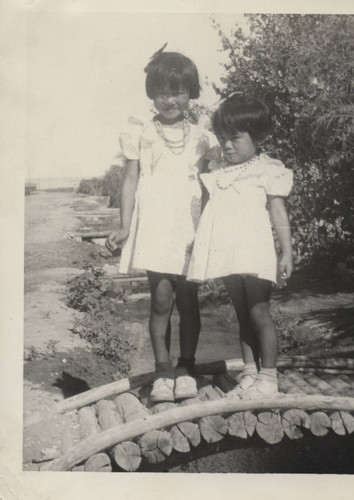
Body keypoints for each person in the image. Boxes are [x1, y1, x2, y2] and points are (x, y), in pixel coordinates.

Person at [106, 46, 219, 403]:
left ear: (191, 93)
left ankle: (186, 368)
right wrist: (124, 227)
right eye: (162, 92)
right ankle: (162, 371)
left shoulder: (204, 137)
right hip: (155, 223)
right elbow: (130, 180)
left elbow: (212, 186)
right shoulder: (141, 132)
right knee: (160, 299)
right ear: (152, 93)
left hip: (189, 224)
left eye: (178, 91)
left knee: (189, 300)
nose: (170, 100)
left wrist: (212, 228)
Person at [187, 93, 293, 398]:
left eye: (235, 138)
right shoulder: (218, 173)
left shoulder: (268, 169)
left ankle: (268, 378)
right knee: (241, 314)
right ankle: (249, 373)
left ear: (256, 136)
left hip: (255, 254)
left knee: (259, 312)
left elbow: (278, 213)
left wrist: (286, 252)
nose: (228, 145)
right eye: (223, 139)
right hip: (229, 255)